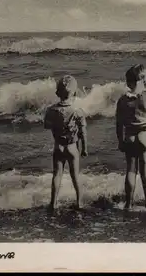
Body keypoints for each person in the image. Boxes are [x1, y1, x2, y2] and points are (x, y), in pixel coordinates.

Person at [115, 64, 146, 210]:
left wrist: (120, 141)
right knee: (145, 172)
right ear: (143, 80)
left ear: (129, 82)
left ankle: (128, 204)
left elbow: (119, 124)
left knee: (130, 171)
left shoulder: (123, 100)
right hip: (145, 136)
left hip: (129, 136)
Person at [44, 75, 88, 211]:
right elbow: (83, 132)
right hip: (72, 147)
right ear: (74, 92)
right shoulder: (77, 111)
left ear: (58, 92)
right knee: (75, 176)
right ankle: (79, 203)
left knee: (57, 175)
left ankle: (53, 202)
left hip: (58, 146)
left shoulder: (51, 110)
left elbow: (47, 125)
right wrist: (85, 148)